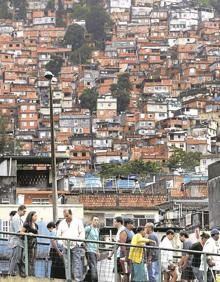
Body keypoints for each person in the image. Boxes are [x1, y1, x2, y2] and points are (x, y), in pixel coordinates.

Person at [57, 208, 85, 282]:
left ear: (71, 214)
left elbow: (82, 233)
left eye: (67, 215)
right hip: (65, 246)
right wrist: (61, 243)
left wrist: (78, 243)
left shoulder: (78, 221)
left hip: (75, 245)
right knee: (67, 263)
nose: (66, 217)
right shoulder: (62, 223)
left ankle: (77, 280)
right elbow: (58, 235)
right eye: (65, 216)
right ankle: (69, 279)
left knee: (77, 263)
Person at [8, 205, 27, 277]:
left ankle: (16, 274)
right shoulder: (16, 218)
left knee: (18, 259)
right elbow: (18, 232)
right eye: (24, 211)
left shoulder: (19, 218)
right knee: (15, 258)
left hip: (19, 242)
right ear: (20, 210)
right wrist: (27, 233)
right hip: (16, 241)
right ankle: (12, 273)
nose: (25, 213)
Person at [20, 211, 38, 276]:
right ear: (31, 216)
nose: (36, 217)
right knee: (29, 259)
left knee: (34, 259)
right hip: (28, 244)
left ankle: (32, 274)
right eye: (35, 216)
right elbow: (21, 233)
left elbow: (37, 233)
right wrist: (28, 233)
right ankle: (27, 274)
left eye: (36, 216)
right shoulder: (27, 224)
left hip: (35, 243)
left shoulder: (36, 225)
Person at [108, 216, 125, 282]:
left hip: (120, 255)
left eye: (114, 222)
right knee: (120, 272)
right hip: (120, 254)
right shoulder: (120, 230)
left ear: (119, 222)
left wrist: (111, 254)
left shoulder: (121, 230)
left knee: (118, 272)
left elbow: (118, 243)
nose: (113, 223)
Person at [84, 216, 100, 282]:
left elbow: (97, 241)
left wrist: (98, 251)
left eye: (97, 220)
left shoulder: (97, 229)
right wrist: (85, 247)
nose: (96, 221)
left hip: (95, 251)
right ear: (91, 221)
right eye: (95, 220)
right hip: (89, 250)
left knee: (93, 267)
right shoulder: (88, 228)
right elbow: (82, 237)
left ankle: (85, 279)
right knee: (94, 267)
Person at [119, 218, 135, 282]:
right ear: (128, 224)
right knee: (126, 273)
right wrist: (126, 256)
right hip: (125, 256)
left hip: (131, 255)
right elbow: (122, 245)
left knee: (130, 272)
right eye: (132, 223)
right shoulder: (124, 232)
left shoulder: (131, 232)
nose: (133, 225)